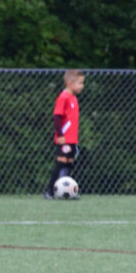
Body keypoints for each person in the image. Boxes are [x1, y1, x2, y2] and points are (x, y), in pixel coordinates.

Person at [46, 69, 85, 198]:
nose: (82, 86)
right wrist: (60, 135)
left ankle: (65, 191)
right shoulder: (63, 97)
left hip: (72, 139)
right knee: (61, 163)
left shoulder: (73, 98)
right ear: (69, 83)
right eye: (79, 83)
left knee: (69, 163)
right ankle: (49, 191)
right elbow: (57, 117)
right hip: (64, 138)